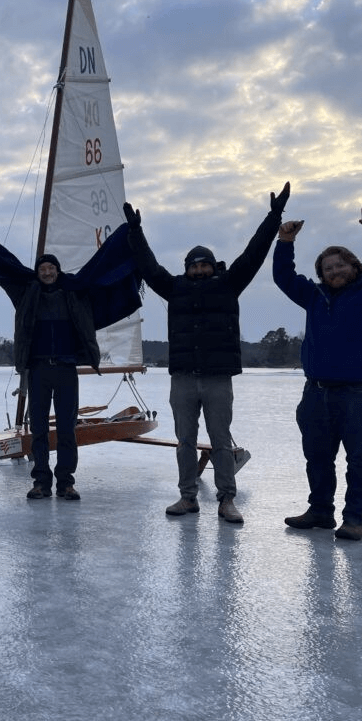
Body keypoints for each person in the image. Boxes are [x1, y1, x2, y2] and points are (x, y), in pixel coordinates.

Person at [122, 183, 291, 524]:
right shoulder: (175, 288)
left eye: (204, 265)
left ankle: (227, 500)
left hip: (217, 378)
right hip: (183, 377)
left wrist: (274, 217)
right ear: (186, 269)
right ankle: (187, 497)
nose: (198, 270)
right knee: (185, 440)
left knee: (220, 441)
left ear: (213, 266)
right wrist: (135, 232)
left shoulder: (230, 283)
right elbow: (149, 267)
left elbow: (254, 252)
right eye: (193, 266)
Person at [0, 223, 142, 501]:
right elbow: (6, 267)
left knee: (68, 430)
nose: (47, 272)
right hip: (38, 369)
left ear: (58, 272)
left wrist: (129, 236)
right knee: (40, 430)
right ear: (37, 272)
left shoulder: (77, 291)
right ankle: (41, 482)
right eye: (42, 269)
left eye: (51, 269)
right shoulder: (26, 293)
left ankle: (66, 482)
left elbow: (103, 267)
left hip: (67, 369)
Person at [273, 203, 362, 540]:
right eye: (327, 268)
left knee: (360, 459)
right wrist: (284, 243)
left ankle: (354, 519)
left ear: (354, 266)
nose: (334, 271)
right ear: (321, 274)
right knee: (318, 457)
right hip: (317, 391)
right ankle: (321, 511)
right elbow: (283, 277)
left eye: (340, 265)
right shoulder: (314, 296)